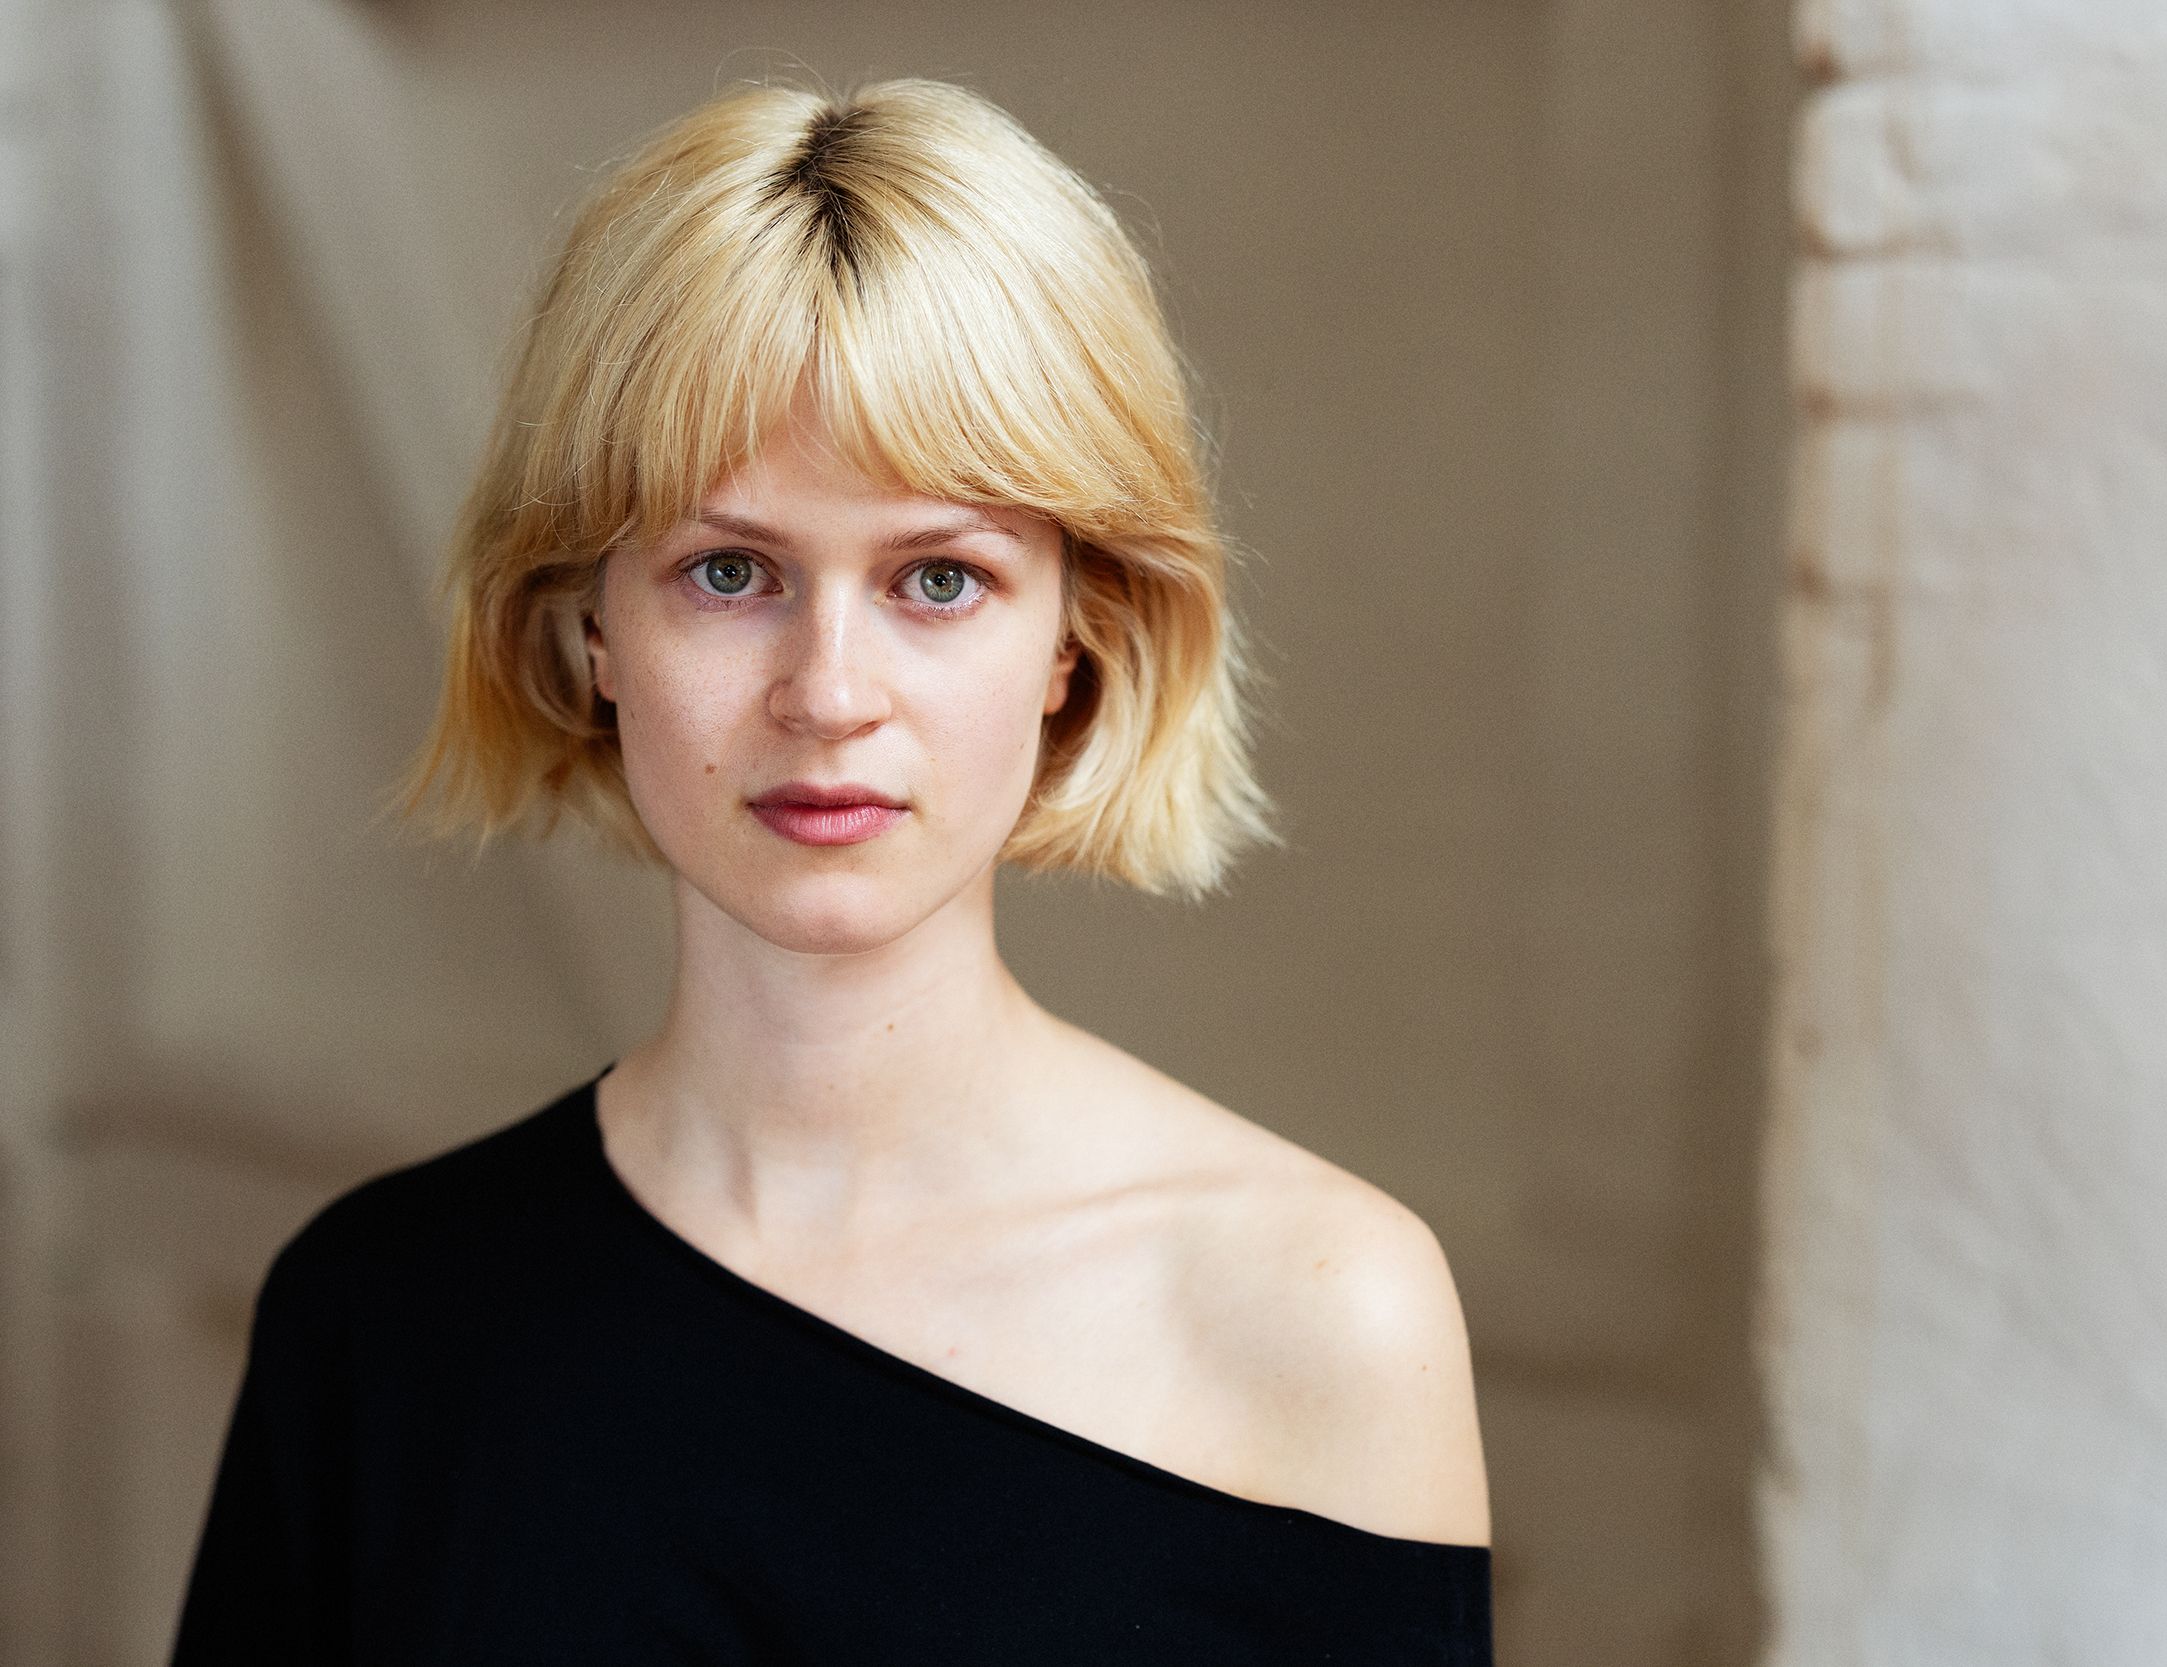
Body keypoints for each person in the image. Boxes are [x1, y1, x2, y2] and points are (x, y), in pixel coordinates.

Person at [171, 76, 1492, 1664]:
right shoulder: (378, 1318)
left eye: (939, 579)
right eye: (730, 572)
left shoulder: (1322, 1311)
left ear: (1077, 638)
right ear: (590, 629)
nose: (829, 693)